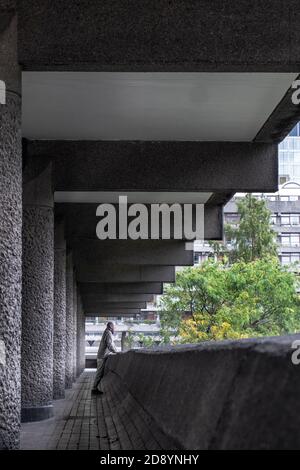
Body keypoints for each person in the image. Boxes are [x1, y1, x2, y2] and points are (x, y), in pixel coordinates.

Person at [91, 321, 117, 394]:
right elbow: (110, 345)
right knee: (99, 373)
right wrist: (117, 352)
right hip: (102, 356)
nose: (115, 328)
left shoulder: (106, 332)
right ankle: (94, 389)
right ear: (111, 327)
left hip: (101, 356)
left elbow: (111, 344)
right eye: (114, 327)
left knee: (100, 373)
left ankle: (95, 388)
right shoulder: (108, 333)